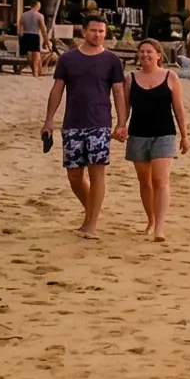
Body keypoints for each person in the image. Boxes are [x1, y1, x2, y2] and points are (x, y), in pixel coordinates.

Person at [41, 18, 128, 238]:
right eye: (93, 30)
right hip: (72, 124)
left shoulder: (112, 60)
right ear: (83, 31)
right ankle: (91, 212)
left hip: (99, 124)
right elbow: (57, 90)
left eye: (101, 31)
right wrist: (49, 120)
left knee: (97, 173)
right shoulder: (68, 59)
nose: (97, 35)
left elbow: (119, 93)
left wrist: (121, 123)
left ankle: (91, 224)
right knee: (74, 177)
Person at [117, 39, 188, 241]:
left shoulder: (170, 77)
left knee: (160, 180)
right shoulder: (130, 79)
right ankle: (151, 220)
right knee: (145, 181)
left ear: (158, 55)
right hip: (138, 134)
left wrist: (185, 136)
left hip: (164, 134)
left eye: (150, 52)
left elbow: (179, 109)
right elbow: (125, 107)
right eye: (142, 52)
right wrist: (121, 126)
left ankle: (160, 228)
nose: (145, 55)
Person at [18, 2, 48, 75]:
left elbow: (20, 27)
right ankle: (35, 72)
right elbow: (43, 29)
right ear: (36, 6)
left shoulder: (23, 15)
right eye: (39, 6)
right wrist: (46, 40)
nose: (39, 8)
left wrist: (20, 38)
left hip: (25, 35)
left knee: (27, 54)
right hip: (34, 35)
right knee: (36, 55)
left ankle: (39, 71)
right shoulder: (40, 15)